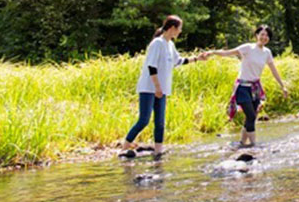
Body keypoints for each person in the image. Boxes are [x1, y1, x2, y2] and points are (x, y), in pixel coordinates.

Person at [121, 15, 207, 157]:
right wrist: (157, 87)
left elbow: (178, 61)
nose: (180, 32)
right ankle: (125, 146)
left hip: (162, 89)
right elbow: (151, 66)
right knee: (144, 120)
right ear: (172, 28)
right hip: (149, 88)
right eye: (179, 29)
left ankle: (158, 150)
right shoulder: (157, 43)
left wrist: (197, 58)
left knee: (160, 122)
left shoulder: (170, 44)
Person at [207, 25, 289, 148]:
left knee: (252, 117)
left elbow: (273, 69)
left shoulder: (267, 52)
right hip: (242, 87)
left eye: (267, 35)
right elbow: (228, 53)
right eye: (262, 34)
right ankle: (253, 145)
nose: (264, 37)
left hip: (255, 88)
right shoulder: (248, 48)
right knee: (250, 115)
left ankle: (242, 143)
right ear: (256, 35)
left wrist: (283, 86)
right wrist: (212, 52)